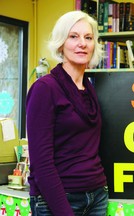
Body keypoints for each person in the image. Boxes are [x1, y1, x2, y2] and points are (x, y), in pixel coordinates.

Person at [26, 11, 108, 216]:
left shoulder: (88, 88)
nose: (82, 43)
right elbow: (41, 162)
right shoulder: (45, 88)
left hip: (96, 197)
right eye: (73, 36)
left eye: (88, 38)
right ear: (61, 43)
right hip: (58, 199)